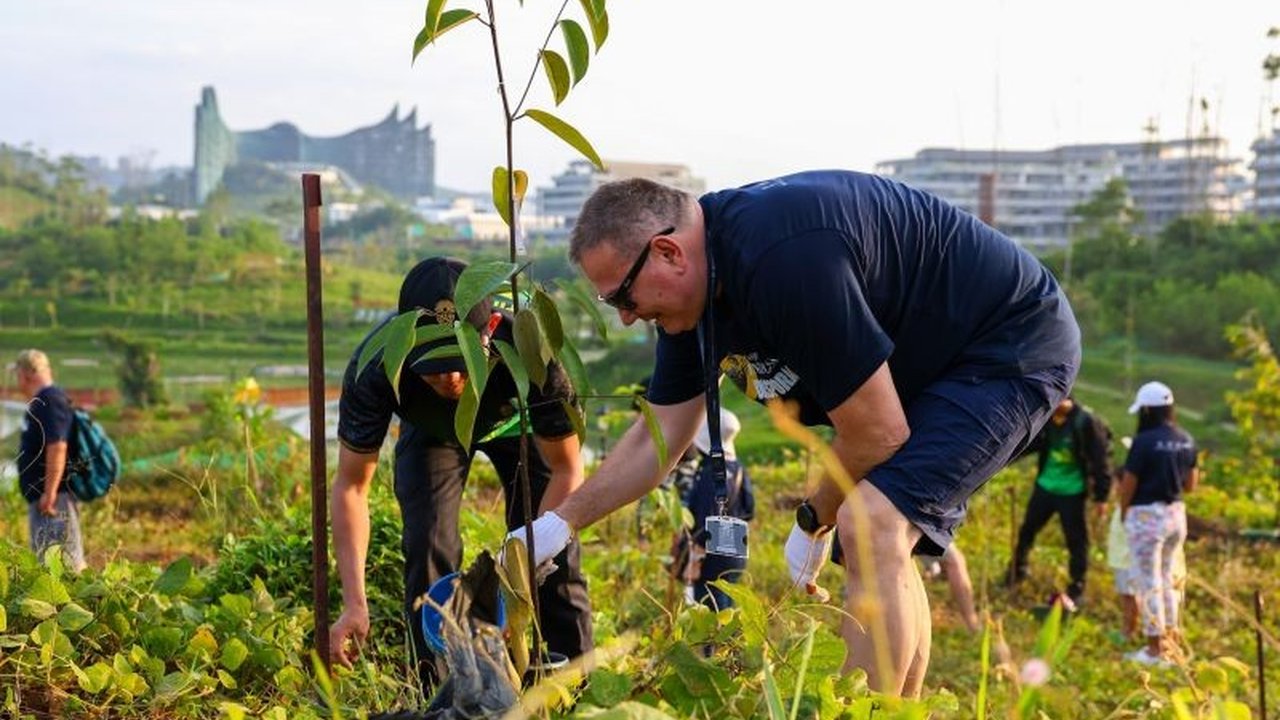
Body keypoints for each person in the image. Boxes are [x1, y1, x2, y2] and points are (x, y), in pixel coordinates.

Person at [511, 171, 1079, 696]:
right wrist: (555, 526)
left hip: (1009, 345)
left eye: (623, 298)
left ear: (667, 252)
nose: (627, 318)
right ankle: (899, 709)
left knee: (869, 523)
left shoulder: (784, 260)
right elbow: (658, 437)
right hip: (924, 374)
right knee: (882, 536)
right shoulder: (692, 303)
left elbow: (878, 432)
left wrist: (814, 518)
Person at [328, 257, 593, 689]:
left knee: (554, 558)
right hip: (432, 432)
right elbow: (352, 488)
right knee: (428, 542)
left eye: (460, 362)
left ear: (489, 329)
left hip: (519, 425)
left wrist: (530, 561)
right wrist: (355, 604)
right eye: (431, 367)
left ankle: (576, 685)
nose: (450, 379)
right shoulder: (375, 368)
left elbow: (566, 467)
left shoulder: (532, 353)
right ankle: (438, 688)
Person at [1118, 381, 1198, 665]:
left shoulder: (1144, 441)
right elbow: (1190, 485)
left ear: (1148, 409)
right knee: (1167, 581)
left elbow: (1129, 483)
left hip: (1147, 517)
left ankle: (1154, 650)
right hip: (1176, 515)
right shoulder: (1186, 438)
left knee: (1149, 583)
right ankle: (1171, 645)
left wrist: (1124, 511)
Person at [1005, 395, 1113, 606]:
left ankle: (1077, 587)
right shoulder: (1048, 418)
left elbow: (1101, 460)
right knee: (1027, 531)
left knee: (1076, 541)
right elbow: (1029, 444)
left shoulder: (1085, 422)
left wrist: (1102, 496)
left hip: (1072, 492)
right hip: (1045, 487)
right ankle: (1016, 572)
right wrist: (1002, 458)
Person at [673, 407, 755, 610]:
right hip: (735, 548)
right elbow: (749, 509)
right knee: (728, 605)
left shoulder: (709, 472)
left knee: (709, 608)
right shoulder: (738, 469)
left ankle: (712, 644)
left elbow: (705, 516)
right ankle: (730, 643)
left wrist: (696, 556)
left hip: (709, 553)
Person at [15, 349, 87, 572]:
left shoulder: (50, 400)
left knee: (62, 562)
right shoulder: (44, 400)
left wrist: (50, 493)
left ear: (25, 374)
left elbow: (57, 447)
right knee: (48, 560)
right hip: (47, 496)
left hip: (54, 499)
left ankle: (74, 605)